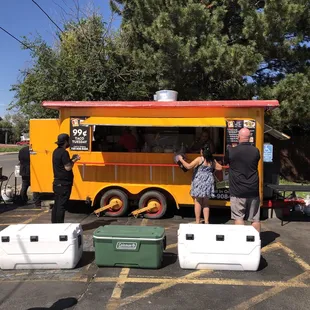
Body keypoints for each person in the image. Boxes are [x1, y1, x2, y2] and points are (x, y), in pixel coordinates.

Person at [225, 128, 261, 232]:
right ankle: (256, 243)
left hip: (237, 190)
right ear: (250, 138)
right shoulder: (256, 151)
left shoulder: (231, 151)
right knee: (255, 219)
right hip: (253, 189)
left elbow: (226, 162)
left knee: (239, 217)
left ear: (238, 137)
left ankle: (241, 244)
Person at [177, 145, 222, 224]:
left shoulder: (199, 159)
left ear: (202, 151)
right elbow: (220, 168)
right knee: (206, 203)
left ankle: (197, 221)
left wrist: (181, 159)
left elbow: (188, 166)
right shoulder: (212, 160)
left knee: (198, 201)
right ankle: (207, 221)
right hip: (208, 181)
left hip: (199, 181)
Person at [52, 133, 80, 223]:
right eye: (68, 141)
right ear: (65, 142)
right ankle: (60, 226)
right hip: (64, 184)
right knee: (62, 206)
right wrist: (74, 160)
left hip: (56, 183)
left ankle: (54, 224)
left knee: (57, 204)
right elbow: (68, 167)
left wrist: (70, 159)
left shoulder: (55, 151)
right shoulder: (64, 152)